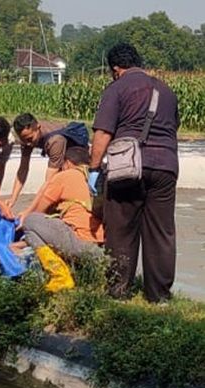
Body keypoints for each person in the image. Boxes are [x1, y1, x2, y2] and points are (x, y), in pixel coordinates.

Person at [88, 42, 179, 303]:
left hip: (127, 167)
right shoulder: (167, 91)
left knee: (121, 230)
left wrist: (94, 170)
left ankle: (118, 292)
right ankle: (159, 297)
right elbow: (172, 128)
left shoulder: (116, 88)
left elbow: (103, 133)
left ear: (116, 69)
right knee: (161, 232)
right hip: (165, 166)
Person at [20, 147, 105, 292]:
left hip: (79, 244)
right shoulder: (95, 178)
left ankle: (60, 275)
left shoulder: (66, 175)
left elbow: (39, 210)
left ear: (67, 163)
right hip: (100, 249)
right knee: (36, 232)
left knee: (31, 221)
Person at [12, 113, 89, 218]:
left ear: (38, 127)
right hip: (62, 162)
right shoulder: (27, 139)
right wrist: (12, 200)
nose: (28, 144)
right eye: (23, 140)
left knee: (54, 207)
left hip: (76, 167)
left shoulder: (55, 141)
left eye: (30, 139)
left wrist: (28, 211)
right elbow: (23, 169)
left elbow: (49, 182)